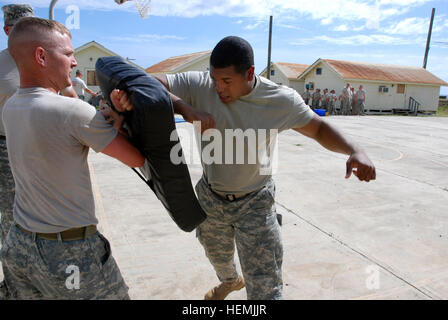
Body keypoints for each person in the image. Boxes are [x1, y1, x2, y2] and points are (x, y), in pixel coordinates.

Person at [114, 36, 376, 300]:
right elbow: (147, 82)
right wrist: (185, 108)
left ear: (249, 73)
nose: (218, 88)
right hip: (211, 197)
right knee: (218, 258)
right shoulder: (201, 85)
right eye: (214, 79)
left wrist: (356, 150)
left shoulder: (279, 99)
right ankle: (230, 281)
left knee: (265, 286)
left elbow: (318, 128)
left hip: (255, 202)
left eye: (227, 81)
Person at [1, 17, 144, 299]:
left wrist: (104, 119)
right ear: (41, 56)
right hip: (69, 253)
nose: (75, 61)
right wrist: (120, 115)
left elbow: (61, 145)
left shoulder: (11, 106)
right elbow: (136, 159)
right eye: (67, 53)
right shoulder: (72, 112)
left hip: (19, 246)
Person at [0, 3, 35, 299]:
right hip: (4, 148)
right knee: (11, 219)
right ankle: (14, 285)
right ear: (7, 30)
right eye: (20, 27)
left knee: (44, 217)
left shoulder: (44, 59)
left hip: (42, 146)